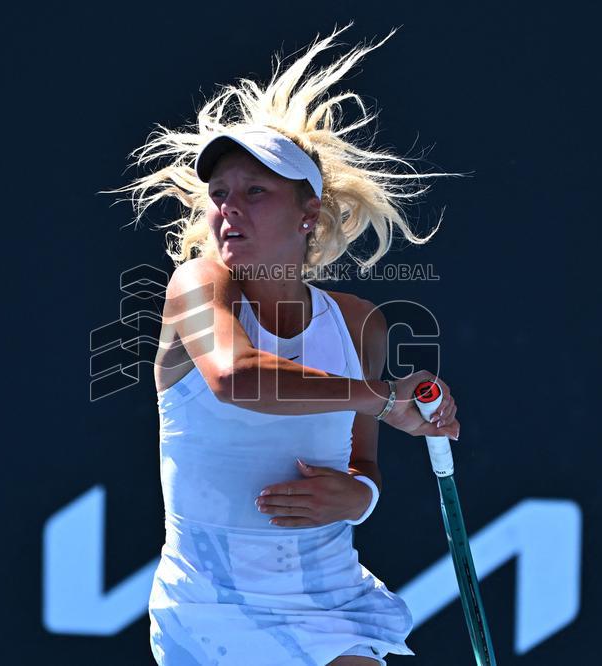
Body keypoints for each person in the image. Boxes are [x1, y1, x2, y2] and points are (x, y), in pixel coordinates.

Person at [108, 24, 461, 665]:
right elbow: (236, 377)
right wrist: (384, 399)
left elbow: (364, 468)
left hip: (331, 596)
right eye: (218, 195)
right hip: (212, 608)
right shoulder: (196, 286)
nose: (226, 210)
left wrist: (362, 497)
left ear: (307, 214)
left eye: (255, 192)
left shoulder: (360, 325)